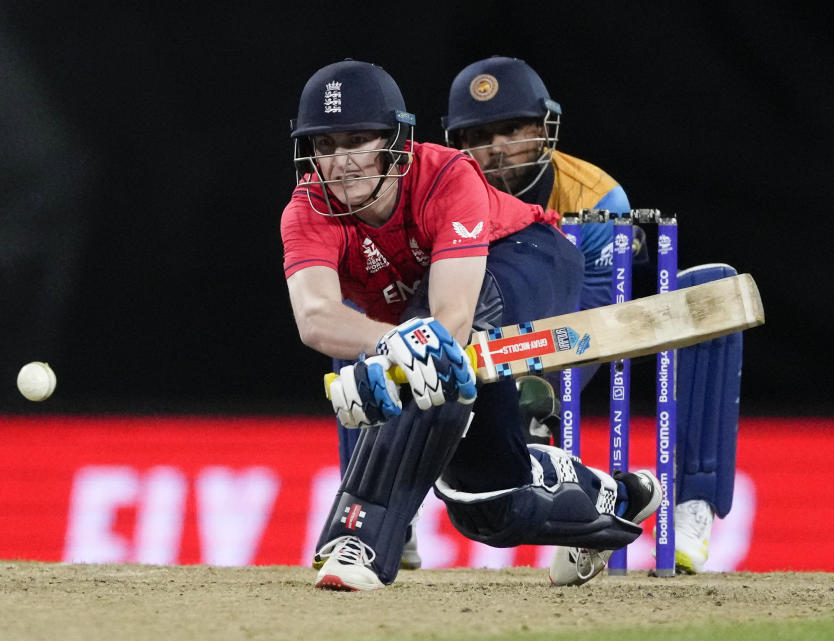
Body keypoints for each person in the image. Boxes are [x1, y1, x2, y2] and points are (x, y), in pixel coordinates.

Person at [281, 59, 662, 591]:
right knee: (485, 504)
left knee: (425, 348)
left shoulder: (445, 172)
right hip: (434, 326)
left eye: (358, 140)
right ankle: (618, 497)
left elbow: (453, 319)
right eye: (325, 146)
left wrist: (393, 352)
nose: (342, 162)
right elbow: (316, 316)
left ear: (395, 140)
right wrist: (389, 343)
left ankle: (360, 540)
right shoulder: (306, 210)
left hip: (530, 260)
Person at [443, 56, 744, 576]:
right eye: (477, 134)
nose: (494, 150)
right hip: (476, 347)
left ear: (543, 129)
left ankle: (691, 501)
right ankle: (385, 516)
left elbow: (597, 318)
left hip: (582, 336)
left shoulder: (596, 196)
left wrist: (536, 395)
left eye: (512, 129)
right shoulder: (441, 194)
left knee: (706, 298)